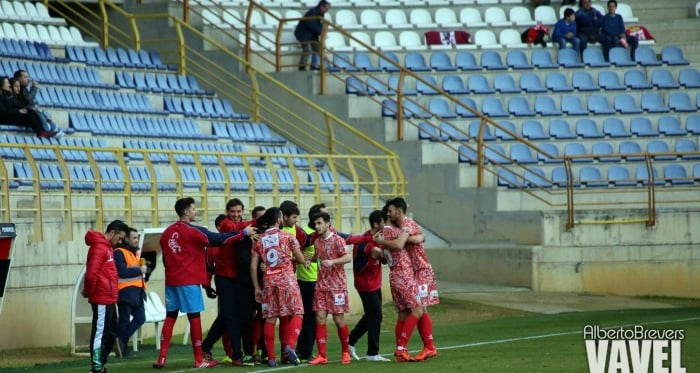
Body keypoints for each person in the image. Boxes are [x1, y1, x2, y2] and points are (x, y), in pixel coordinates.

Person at [152, 197, 256, 369]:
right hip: (189, 281)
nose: (196, 211)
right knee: (194, 318)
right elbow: (218, 240)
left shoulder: (167, 233)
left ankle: (162, 358)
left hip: (171, 281)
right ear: (186, 211)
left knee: (170, 318)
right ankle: (199, 359)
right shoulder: (193, 231)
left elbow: (165, 258)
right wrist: (243, 233)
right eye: (193, 209)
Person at [377, 197, 439, 362]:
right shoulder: (397, 229)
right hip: (408, 272)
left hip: (420, 270)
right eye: (388, 212)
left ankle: (425, 347)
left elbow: (400, 243)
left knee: (418, 309)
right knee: (417, 310)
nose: (389, 213)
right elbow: (399, 244)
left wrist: (417, 238)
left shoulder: (406, 224)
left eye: (390, 210)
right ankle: (425, 347)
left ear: (398, 210)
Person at [201, 198, 258, 366]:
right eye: (233, 212)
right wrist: (251, 226)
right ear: (227, 212)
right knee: (231, 316)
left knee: (229, 316)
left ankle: (207, 346)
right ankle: (237, 355)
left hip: (240, 278)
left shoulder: (246, 230)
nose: (236, 215)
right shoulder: (227, 226)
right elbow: (234, 229)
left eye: (239, 211)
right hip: (225, 278)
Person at [250, 207, 307, 367]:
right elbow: (300, 258)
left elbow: (253, 266)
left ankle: (272, 358)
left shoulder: (259, 240)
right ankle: (290, 345)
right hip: (287, 280)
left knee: (270, 318)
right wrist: (304, 260)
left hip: (268, 282)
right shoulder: (287, 236)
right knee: (298, 312)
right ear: (278, 219)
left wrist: (256, 287)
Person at [372, 207, 422, 363]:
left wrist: (380, 247)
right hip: (403, 275)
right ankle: (401, 348)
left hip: (394, 275)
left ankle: (401, 350)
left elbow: (378, 256)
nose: (395, 215)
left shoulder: (382, 235)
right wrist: (419, 237)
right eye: (392, 212)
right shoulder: (392, 232)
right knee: (417, 310)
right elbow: (401, 243)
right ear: (387, 215)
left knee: (403, 314)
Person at [81, 219, 129, 373]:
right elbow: (90, 275)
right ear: (113, 232)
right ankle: (96, 367)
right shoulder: (99, 248)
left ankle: (100, 364)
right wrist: (88, 292)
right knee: (100, 333)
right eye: (120, 238)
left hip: (109, 297)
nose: (120, 241)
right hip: (101, 298)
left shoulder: (107, 248)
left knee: (111, 331)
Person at [308, 212, 352, 365]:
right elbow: (317, 256)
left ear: (328, 223)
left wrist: (333, 261)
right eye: (315, 224)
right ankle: (322, 355)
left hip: (337, 286)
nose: (317, 226)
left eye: (320, 223)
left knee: (338, 319)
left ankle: (346, 352)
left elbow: (348, 257)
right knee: (319, 318)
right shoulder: (317, 242)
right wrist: (305, 259)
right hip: (321, 285)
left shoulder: (338, 240)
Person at [348, 210, 391, 362]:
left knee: (373, 315)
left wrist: (382, 256)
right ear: (376, 224)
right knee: (376, 316)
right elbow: (359, 266)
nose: (385, 225)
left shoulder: (379, 240)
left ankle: (351, 340)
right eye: (383, 222)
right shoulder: (364, 242)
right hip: (365, 284)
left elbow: (383, 260)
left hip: (375, 283)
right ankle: (372, 353)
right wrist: (373, 258)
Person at [114, 226, 147, 358]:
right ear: (126, 239)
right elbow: (122, 271)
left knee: (140, 318)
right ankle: (122, 346)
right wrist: (140, 270)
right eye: (134, 238)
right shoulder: (119, 252)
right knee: (124, 321)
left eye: (137, 238)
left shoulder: (134, 252)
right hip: (125, 292)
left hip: (137, 291)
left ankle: (119, 340)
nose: (136, 240)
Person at [13, 69, 64, 137]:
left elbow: (29, 101)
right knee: (36, 112)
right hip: (24, 115)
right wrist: (34, 88)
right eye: (25, 77)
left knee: (45, 113)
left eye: (28, 77)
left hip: (30, 112)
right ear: (18, 78)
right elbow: (28, 100)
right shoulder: (18, 90)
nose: (28, 79)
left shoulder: (24, 89)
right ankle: (48, 129)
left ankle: (54, 128)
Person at [294, 0, 331, 71]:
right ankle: (302, 67)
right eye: (326, 8)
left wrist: (322, 31)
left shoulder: (320, 13)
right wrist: (322, 32)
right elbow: (311, 25)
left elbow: (318, 25)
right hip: (303, 34)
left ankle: (318, 65)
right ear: (321, 7)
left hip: (312, 34)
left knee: (318, 49)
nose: (327, 10)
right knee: (307, 49)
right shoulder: (313, 12)